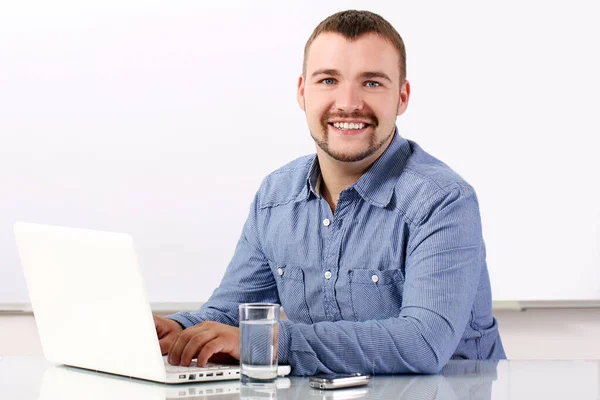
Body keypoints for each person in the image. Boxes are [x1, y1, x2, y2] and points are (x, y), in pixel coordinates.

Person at [153, 9, 506, 375]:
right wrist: (176, 330)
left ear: (402, 97)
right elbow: (231, 314)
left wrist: (271, 342)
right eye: (328, 81)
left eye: (372, 83)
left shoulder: (443, 199)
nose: (349, 102)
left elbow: (422, 343)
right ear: (302, 92)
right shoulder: (276, 196)